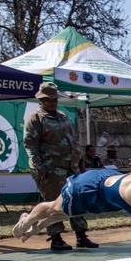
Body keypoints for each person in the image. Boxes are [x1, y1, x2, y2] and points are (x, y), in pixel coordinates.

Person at [23, 82, 98, 251]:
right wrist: (39, 166)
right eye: (48, 99)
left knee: (77, 200)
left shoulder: (63, 116)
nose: (52, 102)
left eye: (54, 99)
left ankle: (81, 235)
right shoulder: (35, 119)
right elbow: (30, 145)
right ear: (41, 100)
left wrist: (80, 164)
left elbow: (75, 142)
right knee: (54, 204)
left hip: (71, 168)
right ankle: (56, 238)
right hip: (51, 169)